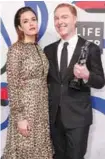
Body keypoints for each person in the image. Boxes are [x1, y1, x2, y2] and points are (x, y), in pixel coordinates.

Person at [44, 3, 105, 159]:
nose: (59, 21)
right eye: (56, 18)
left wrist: (86, 75)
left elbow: (100, 81)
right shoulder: (48, 50)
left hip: (78, 119)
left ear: (75, 20)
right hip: (55, 117)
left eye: (64, 17)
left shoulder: (90, 48)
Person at [3, 6, 53, 159]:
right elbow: (13, 85)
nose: (31, 23)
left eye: (33, 19)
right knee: (25, 151)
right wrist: (20, 118)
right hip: (26, 111)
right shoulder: (16, 50)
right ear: (20, 27)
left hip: (41, 110)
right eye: (26, 21)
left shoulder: (38, 48)